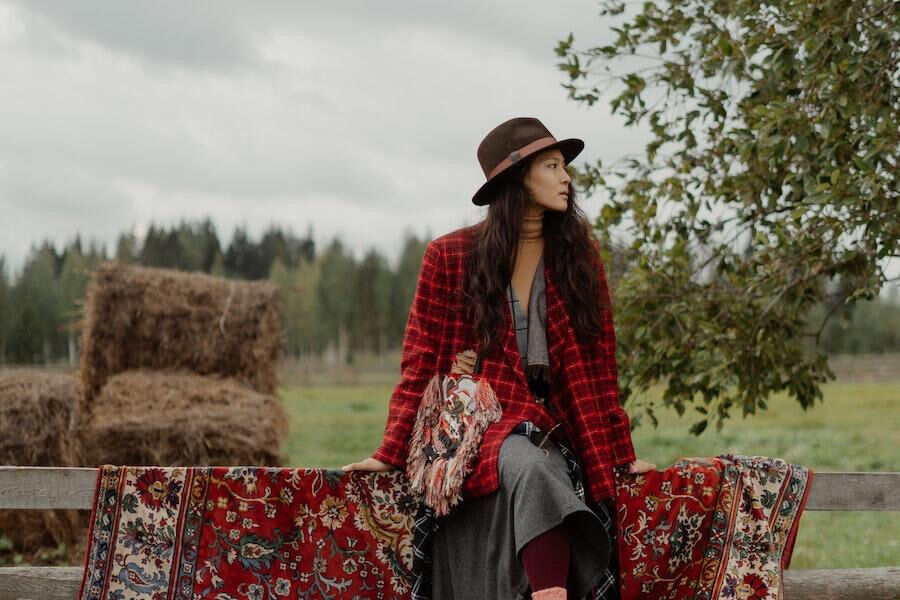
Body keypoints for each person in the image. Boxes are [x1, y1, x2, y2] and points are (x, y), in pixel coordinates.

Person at [342, 117, 656, 600]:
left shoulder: (579, 256)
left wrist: (621, 453)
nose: (567, 178)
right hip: (478, 424)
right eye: (552, 167)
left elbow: (600, 369)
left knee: (542, 466)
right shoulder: (450, 256)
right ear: (518, 179)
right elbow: (420, 361)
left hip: (558, 420)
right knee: (532, 468)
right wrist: (389, 452)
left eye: (564, 167)